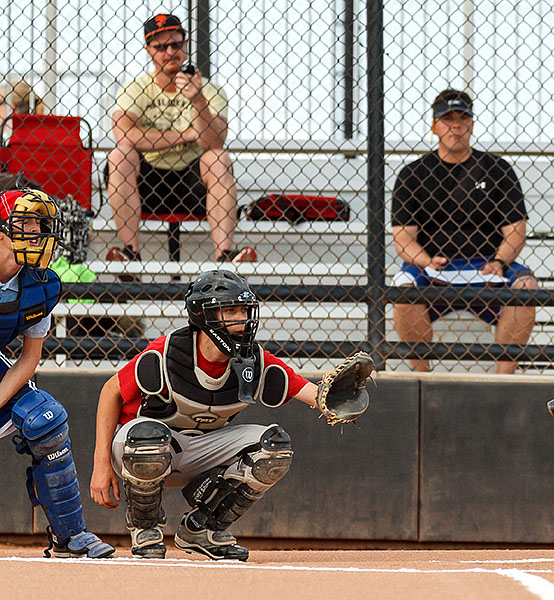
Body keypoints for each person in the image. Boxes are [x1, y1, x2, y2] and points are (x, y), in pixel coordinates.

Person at [90, 270, 324, 561]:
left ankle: (201, 529)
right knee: (147, 438)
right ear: (202, 314)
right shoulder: (166, 353)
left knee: (273, 449)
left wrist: (337, 397)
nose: (241, 320)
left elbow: (313, 394)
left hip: (203, 452)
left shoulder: (255, 360)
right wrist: (101, 463)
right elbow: (110, 391)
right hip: (143, 449)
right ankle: (144, 529)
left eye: (244, 310)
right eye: (230, 310)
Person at [0, 188, 114, 559]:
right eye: (25, 223)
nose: (36, 232)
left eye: (39, 224)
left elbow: (29, 358)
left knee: (46, 421)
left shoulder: (41, 284)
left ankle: (70, 536)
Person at [391, 89, 537, 374]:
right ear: (435, 126)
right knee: (401, 289)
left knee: (526, 286)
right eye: (447, 119)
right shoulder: (413, 173)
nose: (455, 125)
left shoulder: (497, 168)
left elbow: (516, 231)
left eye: (462, 118)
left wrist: (499, 262)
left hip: (488, 267)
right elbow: (403, 238)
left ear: (471, 123)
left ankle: (503, 383)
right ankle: (422, 378)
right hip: (433, 268)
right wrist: (424, 261)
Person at [106, 14, 255, 265]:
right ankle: (130, 253)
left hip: (192, 182)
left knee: (218, 158)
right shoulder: (135, 88)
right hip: (148, 181)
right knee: (120, 156)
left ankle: (224, 256)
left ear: (185, 45)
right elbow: (125, 135)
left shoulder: (209, 90)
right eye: (161, 47)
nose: (170, 52)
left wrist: (198, 101)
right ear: (149, 51)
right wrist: (187, 135)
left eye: (176, 44)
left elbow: (213, 142)